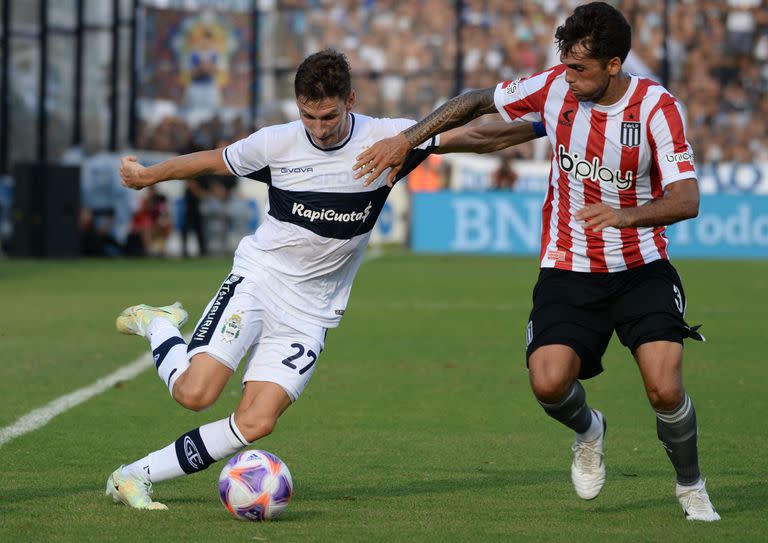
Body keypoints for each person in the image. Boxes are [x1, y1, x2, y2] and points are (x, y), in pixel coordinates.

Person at [105, 49, 542, 510]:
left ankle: (132, 476)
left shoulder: (389, 139)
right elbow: (211, 161)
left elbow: (474, 135)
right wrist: (148, 175)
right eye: (308, 116)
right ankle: (157, 324)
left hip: (312, 311)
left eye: (329, 115)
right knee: (195, 394)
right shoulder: (276, 143)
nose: (318, 127)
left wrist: (546, 123)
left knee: (256, 423)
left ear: (350, 99)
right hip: (260, 280)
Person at [353, 2, 719, 522]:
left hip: (641, 267)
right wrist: (411, 140)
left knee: (664, 385)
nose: (568, 78)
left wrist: (624, 215)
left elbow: (687, 199)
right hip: (568, 267)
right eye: (565, 65)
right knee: (547, 383)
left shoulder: (657, 108)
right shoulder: (555, 89)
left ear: (614, 64)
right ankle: (589, 430)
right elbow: (477, 105)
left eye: (580, 69)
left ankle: (691, 487)